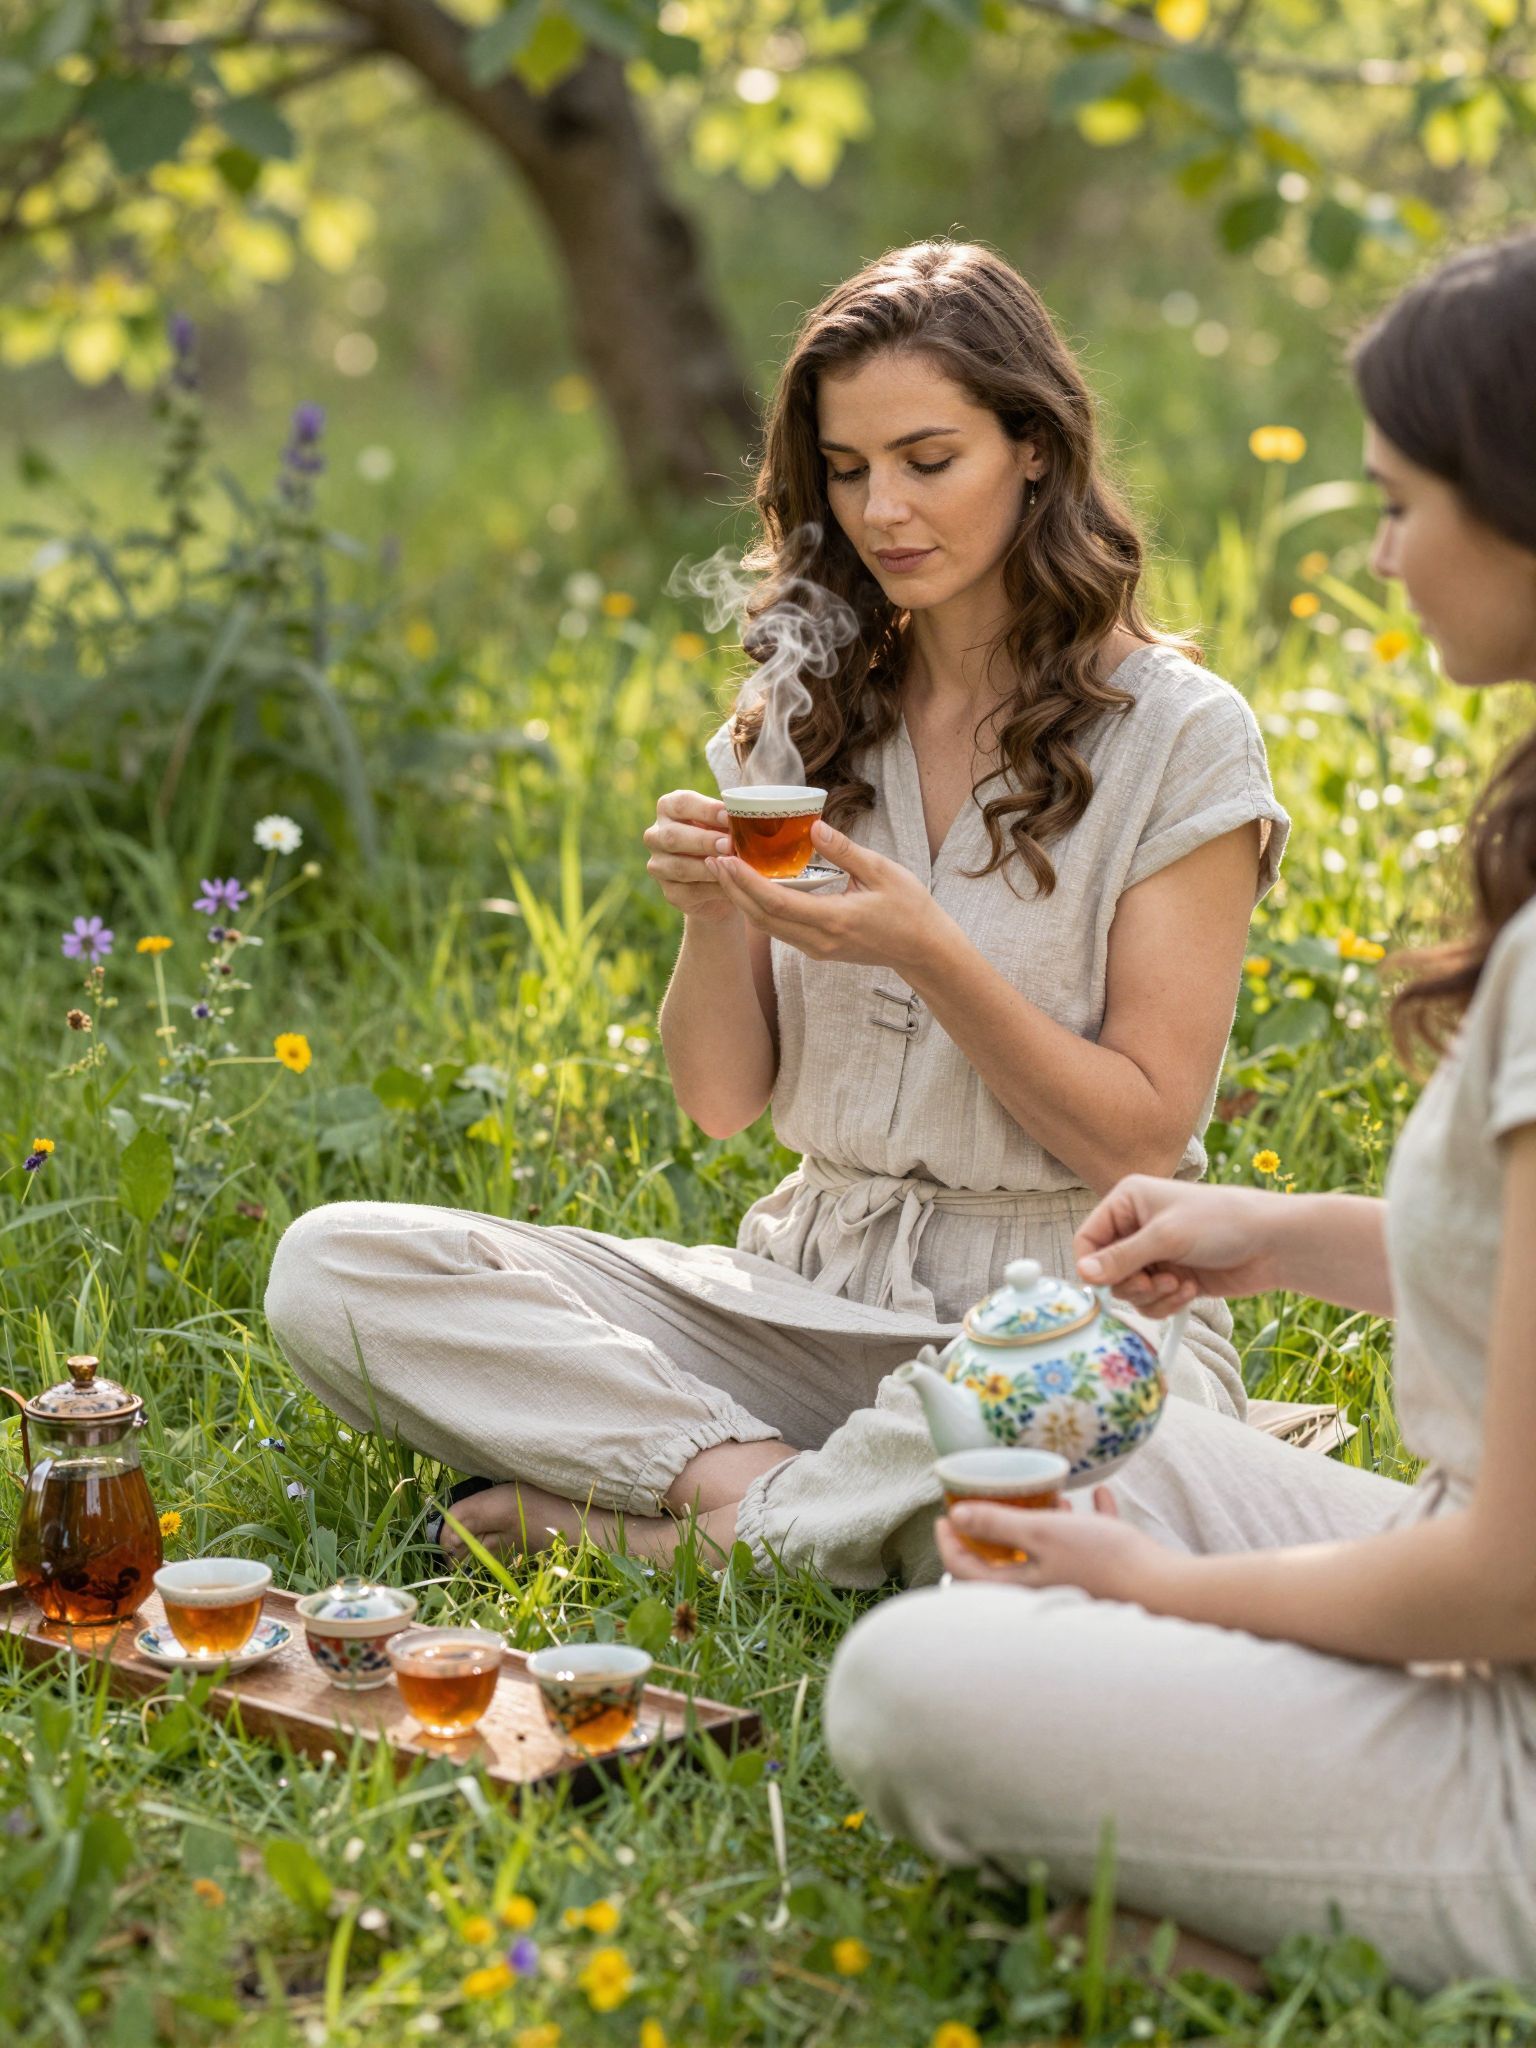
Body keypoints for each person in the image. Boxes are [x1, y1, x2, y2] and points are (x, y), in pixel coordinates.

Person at [264, 240, 1289, 1585]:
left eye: (929, 460)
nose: (883, 510)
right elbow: (719, 1102)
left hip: (1065, 1311)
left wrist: (928, 952)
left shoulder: (1181, 735)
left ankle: (658, 1528)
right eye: (847, 470)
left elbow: (1142, 1134)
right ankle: (762, 1499)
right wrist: (711, 914)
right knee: (334, 1269)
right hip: (805, 1294)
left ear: (1035, 449)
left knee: (1097, 1463)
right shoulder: (803, 715)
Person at [824, 232, 1536, 1988]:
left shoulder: (1176, 732)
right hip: (1468, 1574)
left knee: (909, 1681)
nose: (1382, 553)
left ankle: (1266, 1939)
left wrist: (1150, 1598)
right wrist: (1273, 1237)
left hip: (1508, 1696)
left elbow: (1503, 1587)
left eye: (1403, 503)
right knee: (1082, 1447)